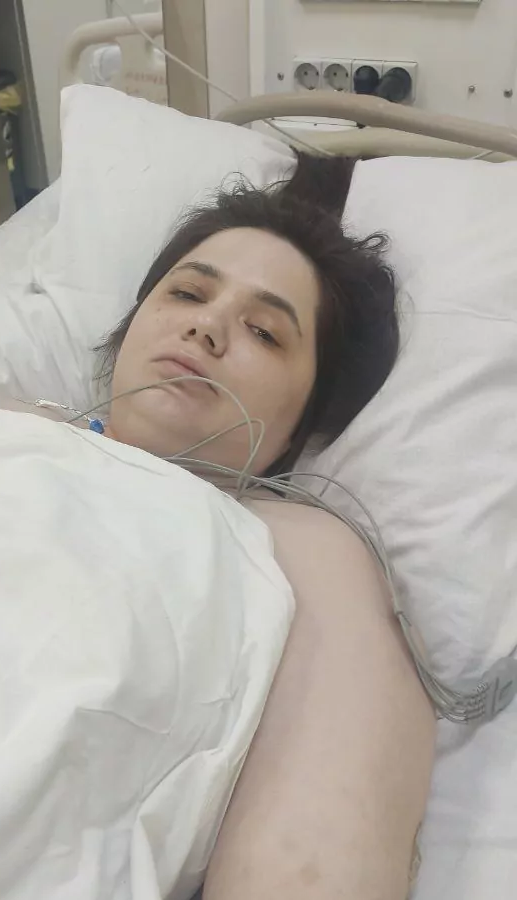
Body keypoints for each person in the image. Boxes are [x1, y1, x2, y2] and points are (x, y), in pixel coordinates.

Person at [91, 154, 436, 900]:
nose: (206, 326)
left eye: (265, 332)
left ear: (300, 425)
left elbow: (316, 854)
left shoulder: (301, 548)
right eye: (187, 292)